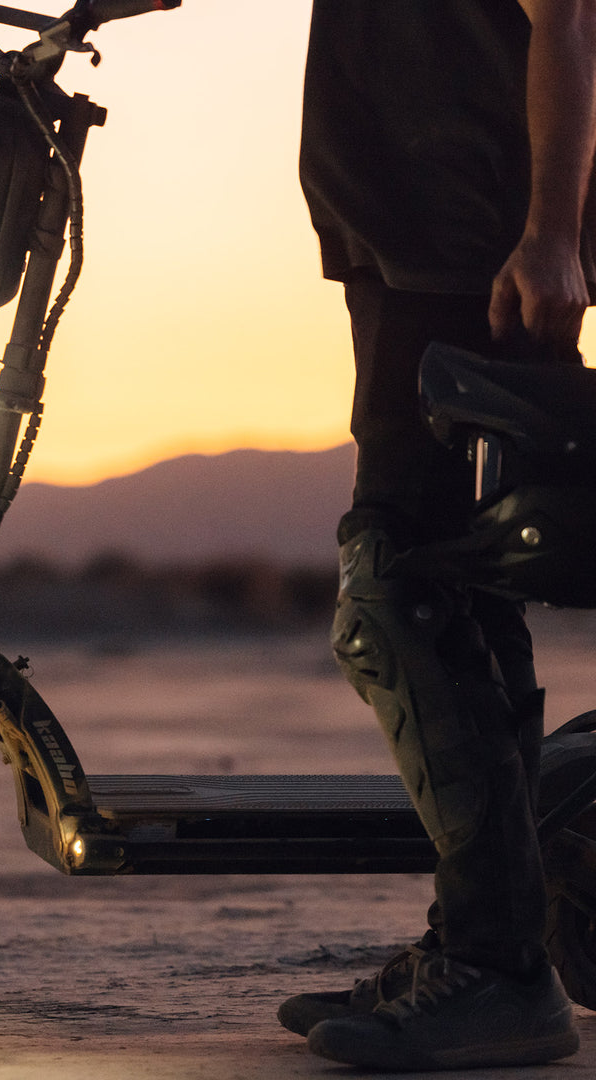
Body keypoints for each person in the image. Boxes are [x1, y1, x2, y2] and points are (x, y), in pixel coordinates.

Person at [277, 0, 596, 1070]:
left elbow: (568, 18)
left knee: (396, 586)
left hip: (478, 250)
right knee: (458, 591)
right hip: (403, 245)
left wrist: (554, 234)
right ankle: (478, 943)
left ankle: (502, 971)